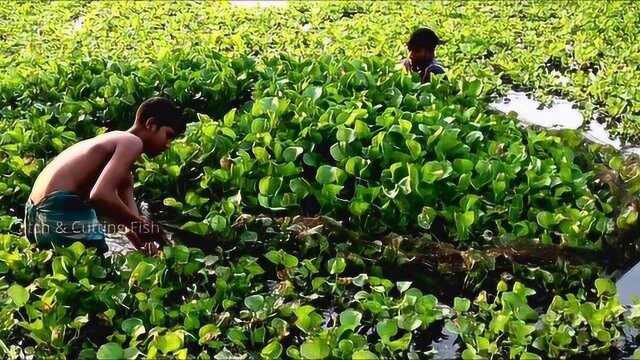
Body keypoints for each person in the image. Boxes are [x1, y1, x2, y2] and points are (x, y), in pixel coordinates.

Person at [25, 97, 185, 254]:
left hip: (33, 214)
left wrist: (146, 241)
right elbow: (100, 195)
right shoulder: (131, 142)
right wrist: (144, 228)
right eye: (168, 135)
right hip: (59, 211)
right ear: (151, 124)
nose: (168, 145)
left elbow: (129, 225)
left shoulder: (115, 151)